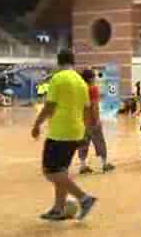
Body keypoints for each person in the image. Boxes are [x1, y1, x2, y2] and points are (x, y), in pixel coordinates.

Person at [31, 49, 97, 221]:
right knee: (61, 171)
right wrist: (85, 132)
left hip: (60, 132)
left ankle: (84, 198)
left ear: (59, 62)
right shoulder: (80, 82)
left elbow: (50, 106)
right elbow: (87, 109)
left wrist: (37, 124)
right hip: (76, 131)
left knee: (50, 172)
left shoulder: (58, 78)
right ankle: (58, 209)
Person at [77, 69, 116, 174]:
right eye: (94, 78)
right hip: (91, 121)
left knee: (83, 144)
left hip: (81, 122)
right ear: (90, 79)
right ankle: (104, 164)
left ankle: (82, 165)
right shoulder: (93, 88)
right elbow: (94, 106)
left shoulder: (79, 89)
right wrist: (97, 120)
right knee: (99, 142)